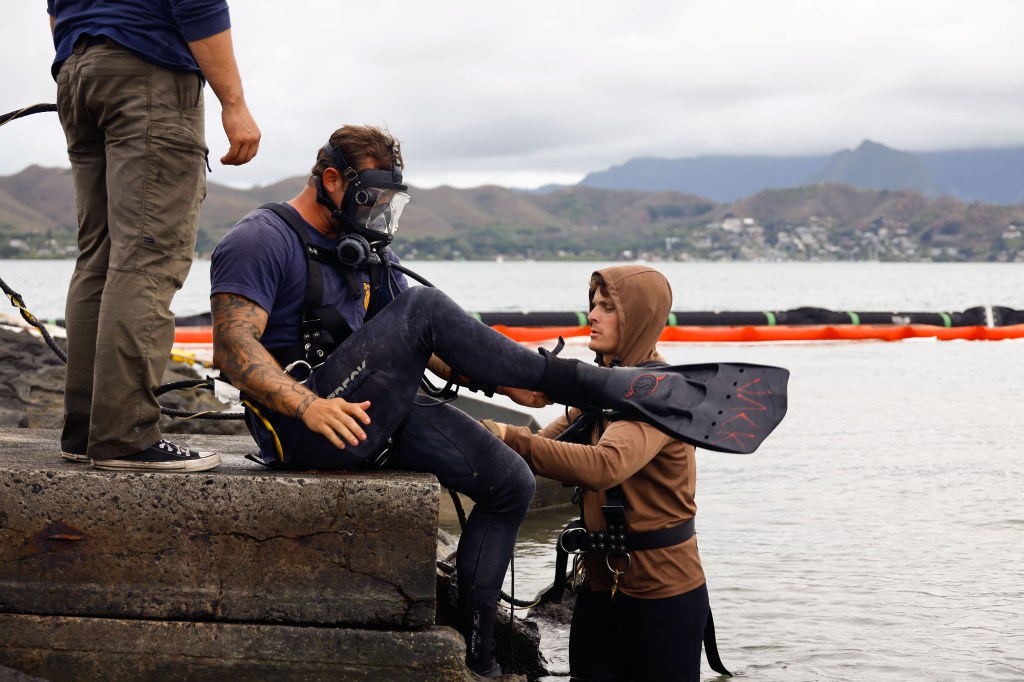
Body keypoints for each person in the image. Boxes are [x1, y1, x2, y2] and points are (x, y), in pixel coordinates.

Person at [208, 126, 747, 677]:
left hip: (366, 417)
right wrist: (307, 406)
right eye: (373, 200)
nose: (380, 216)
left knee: (510, 482)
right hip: (305, 426)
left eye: (391, 203)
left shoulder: (363, 251)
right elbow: (231, 348)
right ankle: (574, 379)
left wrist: (506, 386)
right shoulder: (260, 238)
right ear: (330, 181)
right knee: (423, 305)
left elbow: (435, 347)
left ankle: (478, 654)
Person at [48, 0, 261, 472]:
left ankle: (87, 431)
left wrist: (81, 65)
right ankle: (124, 436)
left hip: (77, 69)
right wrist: (234, 102)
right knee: (147, 258)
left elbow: (56, 11)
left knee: (98, 259)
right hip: (148, 71)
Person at [484, 265, 720, 682]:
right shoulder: (603, 393)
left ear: (638, 319)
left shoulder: (661, 395)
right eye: (593, 304)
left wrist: (511, 437)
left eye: (608, 307)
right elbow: (547, 444)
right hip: (599, 586)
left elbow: (605, 465)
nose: (592, 315)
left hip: (663, 592)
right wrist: (482, 431)